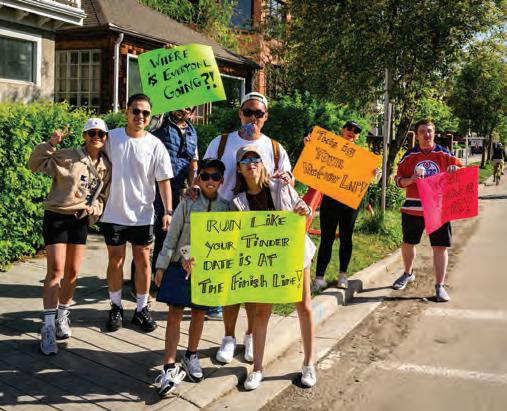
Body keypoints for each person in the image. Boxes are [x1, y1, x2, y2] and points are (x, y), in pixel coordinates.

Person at [203, 92, 294, 364]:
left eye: (258, 113)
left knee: (255, 286)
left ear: (266, 117)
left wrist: (288, 179)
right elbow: (204, 177)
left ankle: (252, 335)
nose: (252, 117)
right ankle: (228, 337)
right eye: (248, 112)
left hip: (261, 225)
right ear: (240, 113)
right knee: (230, 285)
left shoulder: (275, 148)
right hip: (225, 220)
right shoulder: (221, 143)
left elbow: (287, 183)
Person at [231, 145, 317, 390]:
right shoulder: (237, 202)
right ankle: (257, 368)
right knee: (261, 312)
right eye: (245, 160)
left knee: (304, 306)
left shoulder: (280, 186)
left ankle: (309, 363)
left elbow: (305, 210)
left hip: (293, 254)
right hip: (263, 261)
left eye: (255, 158)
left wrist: (304, 210)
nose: (251, 163)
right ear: (239, 169)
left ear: (262, 164)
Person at [28, 118, 111, 355]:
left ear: (105, 138)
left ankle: (62, 315)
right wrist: (50, 144)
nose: (96, 137)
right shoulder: (67, 155)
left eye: (101, 134)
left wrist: (95, 209)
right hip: (57, 215)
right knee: (55, 271)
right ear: (84, 136)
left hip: (80, 219)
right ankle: (47, 326)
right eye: (92, 133)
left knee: (73, 272)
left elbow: (103, 195)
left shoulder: (106, 165)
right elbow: (34, 164)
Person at [152, 158, 229, 397]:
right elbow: (172, 236)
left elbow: (227, 243)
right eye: (205, 176)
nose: (210, 181)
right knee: (174, 315)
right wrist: (161, 265)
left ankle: (191, 354)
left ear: (222, 180)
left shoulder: (227, 208)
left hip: (207, 271)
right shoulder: (186, 203)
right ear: (198, 178)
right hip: (178, 266)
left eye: (215, 177)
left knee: (199, 314)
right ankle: (169, 365)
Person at [101, 93, 173, 332]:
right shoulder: (111, 138)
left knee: (143, 261)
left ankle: (142, 309)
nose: (140, 116)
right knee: (115, 261)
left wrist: (168, 211)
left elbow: (164, 181)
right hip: (113, 213)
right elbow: (89, 157)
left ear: (150, 117)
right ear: (127, 111)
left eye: (145, 113)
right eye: (136, 111)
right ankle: (115, 307)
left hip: (143, 215)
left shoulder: (155, 145)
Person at [393, 119, 462, 302]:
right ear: (417, 135)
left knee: (439, 247)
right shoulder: (409, 156)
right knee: (408, 243)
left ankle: (439, 286)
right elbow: (398, 180)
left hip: (437, 209)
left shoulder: (445, 154)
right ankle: (407, 273)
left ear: (434, 132)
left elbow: (462, 175)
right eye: (422, 131)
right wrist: (411, 180)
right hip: (413, 208)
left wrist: (456, 170)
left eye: (429, 130)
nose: (427, 134)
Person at [311, 120, 368, 292]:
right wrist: (310, 147)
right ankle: (319, 278)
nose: (351, 132)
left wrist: (373, 173)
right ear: (342, 130)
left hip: (350, 202)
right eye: (349, 128)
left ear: (358, 136)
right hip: (330, 200)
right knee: (326, 238)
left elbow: (366, 177)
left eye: (356, 131)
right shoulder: (330, 148)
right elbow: (316, 160)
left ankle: (343, 275)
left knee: (346, 237)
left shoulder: (363, 156)